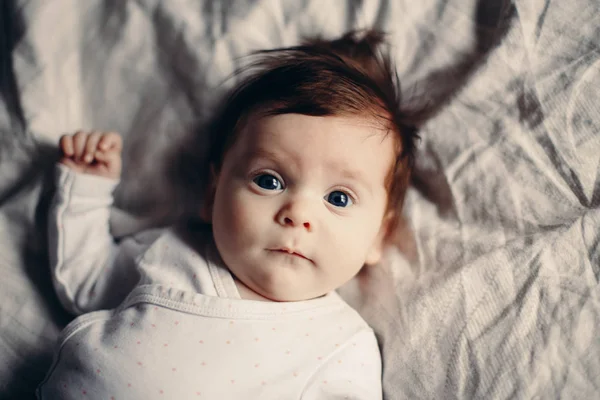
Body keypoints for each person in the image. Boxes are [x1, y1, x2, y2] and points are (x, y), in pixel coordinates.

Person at [37, 30, 419, 399]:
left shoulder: (341, 346)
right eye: (269, 181)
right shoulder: (172, 250)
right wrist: (85, 189)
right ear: (211, 193)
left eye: (338, 198)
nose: (298, 213)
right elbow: (85, 281)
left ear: (378, 237)